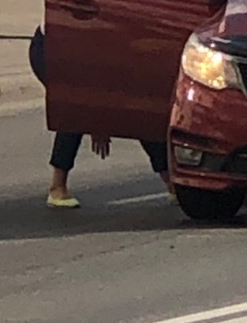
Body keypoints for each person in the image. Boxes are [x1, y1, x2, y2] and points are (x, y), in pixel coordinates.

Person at [29, 26, 173, 208]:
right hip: (57, 49)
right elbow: (88, 70)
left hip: (100, 51)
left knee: (137, 109)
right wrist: (98, 120)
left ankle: (169, 180)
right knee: (77, 108)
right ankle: (57, 186)